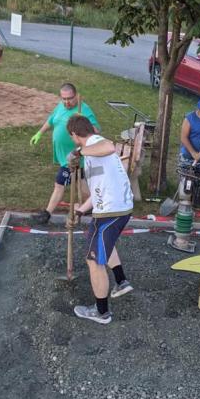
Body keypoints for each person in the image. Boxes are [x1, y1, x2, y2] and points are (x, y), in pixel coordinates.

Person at [66, 115, 133, 325]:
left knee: (94, 260)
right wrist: (79, 211)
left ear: (74, 135)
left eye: (74, 139)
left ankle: (101, 312)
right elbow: (97, 192)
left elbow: (110, 146)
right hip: (113, 208)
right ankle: (121, 282)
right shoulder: (92, 157)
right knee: (103, 245)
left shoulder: (95, 144)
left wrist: (78, 152)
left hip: (111, 212)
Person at [29, 83, 100, 224]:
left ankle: (47, 214)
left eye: (70, 98)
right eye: (64, 99)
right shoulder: (60, 106)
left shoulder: (84, 109)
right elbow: (51, 120)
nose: (67, 102)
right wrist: (39, 133)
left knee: (60, 184)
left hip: (74, 158)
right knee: (82, 184)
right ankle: (93, 205)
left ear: (76, 96)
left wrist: (83, 121)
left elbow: (96, 131)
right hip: (64, 156)